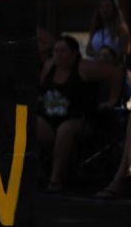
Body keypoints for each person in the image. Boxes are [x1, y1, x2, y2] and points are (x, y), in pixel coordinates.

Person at [37, 35, 98, 192]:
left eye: (63, 50)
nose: (58, 54)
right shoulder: (49, 67)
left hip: (76, 121)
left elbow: (114, 72)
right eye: (56, 50)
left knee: (65, 129)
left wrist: (112, 99)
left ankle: (55, 178)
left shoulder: (83, 68)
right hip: (49, 122)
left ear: (74, 53)